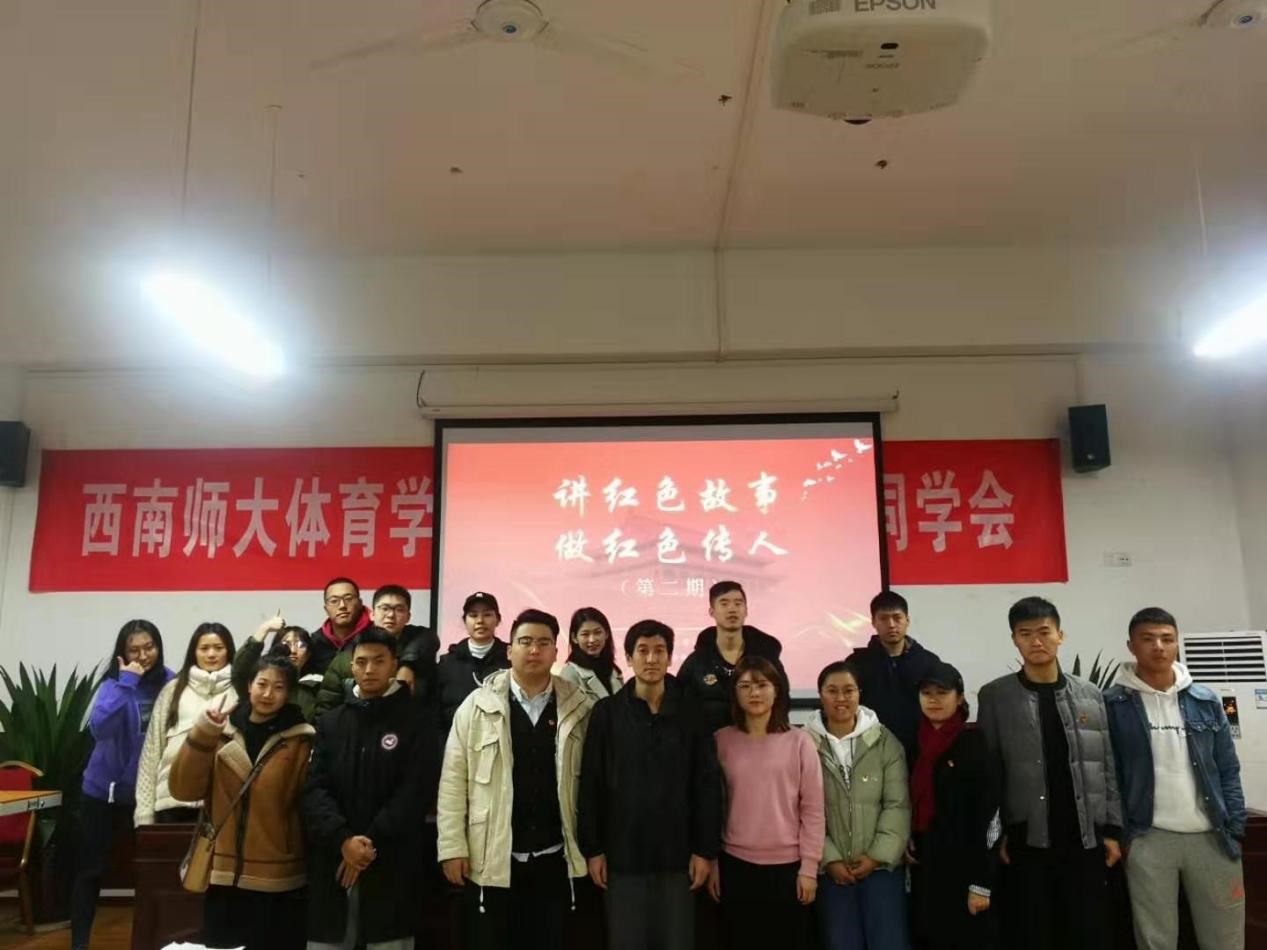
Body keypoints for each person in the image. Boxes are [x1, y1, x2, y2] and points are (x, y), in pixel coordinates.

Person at [437, 609, 594, 950]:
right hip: (494, 856)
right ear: (509, 650)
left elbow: (594, 787)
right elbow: (452, 782)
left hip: (557, 856)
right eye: (525, 641)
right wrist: (451, 847)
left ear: (556, 651)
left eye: (543, 643)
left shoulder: (580, 708)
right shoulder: (476, 706)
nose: (534, 650)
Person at [977, 596, 1121, 950]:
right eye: (1025, 634)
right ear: (1014, 639)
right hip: (1028, 838)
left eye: (1044, 632)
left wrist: (1113, 830)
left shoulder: (1090, 694)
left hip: (1085, 836)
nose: (1036, 641)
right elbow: (990, 774)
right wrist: (999, 835)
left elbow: (1107, 765)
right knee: (1034, 933)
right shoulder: (996, 696)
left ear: (1060, 635)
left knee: (1087, 932)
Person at [1105, 607, 1247, 950]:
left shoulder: (1206, 701)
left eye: (1167, 639)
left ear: (1177, 643)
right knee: (1156, 940)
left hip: (1212, 835)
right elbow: (1110, 775)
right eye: (1148, 639)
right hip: (1148, 837)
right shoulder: (1112, 704)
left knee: (1225, 938)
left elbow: (1228, 768)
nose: (1159, 646)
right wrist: (1123, 834)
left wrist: (1235, 825)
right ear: (1131, 646)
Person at [578, 619, 721, 950]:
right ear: (628, 658)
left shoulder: (691, 711)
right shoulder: (607, 713)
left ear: (670, 657)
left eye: (659, 651)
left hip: (679, 856)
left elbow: (707, 785)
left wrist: (705, 850)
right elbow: (591, 784)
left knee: (677, 941)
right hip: (622, 855)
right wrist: (594, 849)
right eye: (642, 651)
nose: (652, 659)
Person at [168, 653, 315, 950]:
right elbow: (183, 790)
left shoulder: (301, 740)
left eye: (278, 687)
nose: (268, 693)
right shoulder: (221, 731)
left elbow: (308, 805)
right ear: (249, 686)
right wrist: (204, 732)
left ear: (289, 693)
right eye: (262, 684)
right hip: (224, 874)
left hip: (278, 878)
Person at [303, 627, 436, 950]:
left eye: (379, 661)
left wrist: (366, 845)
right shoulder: (332, 722)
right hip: (334, 859)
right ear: (351, 666)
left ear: (394, 665)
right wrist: (344, 840)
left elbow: (414, 792)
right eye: (361, 662)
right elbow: (315, 789)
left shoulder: (418, 721)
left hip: (393, 862)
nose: (369, 669)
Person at [710, 655, 823, 950]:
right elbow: (711, 807)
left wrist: (809, 868)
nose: (754, 693)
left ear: (777, 690)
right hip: (735, 865)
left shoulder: (800, 741)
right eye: (745, 686)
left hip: (788, 868)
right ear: (734, 693)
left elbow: (813, 810)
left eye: (762, 685)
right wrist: (712, 862)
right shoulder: (721, 741)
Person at [71, 620, 172, 950]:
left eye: (149, 647)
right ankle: (79, 943)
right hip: (103, 793)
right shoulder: (113, 684)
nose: (143, 655)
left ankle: (153, 941)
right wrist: (128, 682)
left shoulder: (171, 683)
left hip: (148, 795)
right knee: (90, 871)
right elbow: (99, 729)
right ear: (123, 653)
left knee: (152, 873)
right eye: (134, 649)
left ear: (159, 647)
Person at [806, 661, 911, 950]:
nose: (841, 698)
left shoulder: (885, 742)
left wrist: (876, 856)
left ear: (859, 693)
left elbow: (898, 805)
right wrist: (830, 859)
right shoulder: (804, 744)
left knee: (889, 942)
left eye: (848, 690)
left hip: (881, 869)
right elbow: (802, 810)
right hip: (831, 871)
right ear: (820, 694)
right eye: (832, 691)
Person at [907, 662, 997, 950]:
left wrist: (981, 883)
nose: (933, 700)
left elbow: (988, 815)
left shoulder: (973, 742)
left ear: (959, 698)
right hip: (924, 862)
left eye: (942, 692)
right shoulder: (913, 743)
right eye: (927, 693)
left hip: (964, 865)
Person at [135, 622, 236, 826]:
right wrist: (144, 813)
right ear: (194, 653)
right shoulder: (173, 689)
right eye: (204, 648)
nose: (211, 654)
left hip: (223, 801)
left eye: (218, 648)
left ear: (229, 651)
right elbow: (152, 751)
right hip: (172, 801)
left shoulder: (240, 690)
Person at [845, 591, 941, 764]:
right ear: (873, 622)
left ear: (907, 620)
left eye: (897, 618)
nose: (891, 624)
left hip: (919, 753)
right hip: (870, 753)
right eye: (883, 618)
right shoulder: (856, 664)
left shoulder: (928, 662)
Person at [679, 581, 786, 734]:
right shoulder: (697, 661)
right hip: (710, 742)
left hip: (760, 739)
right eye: (724, 604)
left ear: (746, 610)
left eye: (738, 603)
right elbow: (681, 706)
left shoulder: (766, 657)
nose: (732, 609)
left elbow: (782, 698)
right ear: (711, 612)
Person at [314, 587, 438, 718]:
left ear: (408, 617)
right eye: (384, 608)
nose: (391, 615)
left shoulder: (421, 653)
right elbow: (326, 710)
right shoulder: (345, 658)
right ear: (372, 614)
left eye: (399, 609)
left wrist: (408, 665)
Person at [435, 591, 510, 732]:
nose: (480, 621)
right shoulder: (447, 663)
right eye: (473, 615)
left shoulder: (511, 659)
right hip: (457, 739)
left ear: (498, 619)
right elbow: (436, 712)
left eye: (487, 614)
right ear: (464, 621)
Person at [233, 616, 323, 722]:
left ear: (308, 654)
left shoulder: (316, 685)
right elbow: (240, 671)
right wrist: (265, 628)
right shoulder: (259, 678)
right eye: (286, 643)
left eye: (300, 645)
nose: (293, 650)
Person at [309, 577, 373, 676]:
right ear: (326, 609)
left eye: (348, 599)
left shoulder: (376, 635)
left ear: (360, 603)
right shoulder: (315, 642)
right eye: (334, 601)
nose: (342, 606)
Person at [559, 607, 624, 703]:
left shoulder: (613, 670)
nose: (592, 640)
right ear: (574, 638)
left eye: (597, 632)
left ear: (606, 634)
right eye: (585, 634)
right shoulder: (569, 675)